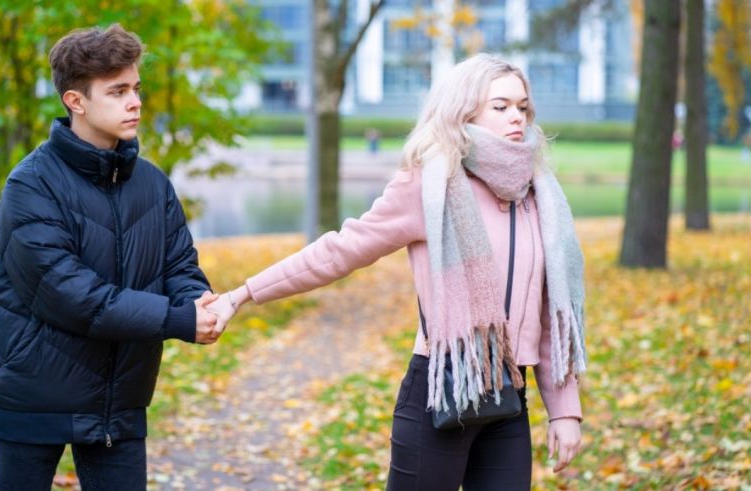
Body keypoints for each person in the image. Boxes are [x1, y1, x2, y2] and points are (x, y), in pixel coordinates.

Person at [207, 53, 586, 490]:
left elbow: (548, 315)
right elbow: (339, 251)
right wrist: (243, 293)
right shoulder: (429, 187)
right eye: (500, 107)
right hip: (440, 392)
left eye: (523, 107)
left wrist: (564, 410)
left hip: (508, 402)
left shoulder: (538, 195)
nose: (516, 118)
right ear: (464, 111)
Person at [0, 24, 221, 490]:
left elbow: (178, 265)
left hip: (120, 401)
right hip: (34, 399)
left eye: (135, 88)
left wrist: (200, 302)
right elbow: (74, 296)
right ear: (76, 101)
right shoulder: (29, 186)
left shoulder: (152, 183)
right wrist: (178, 319)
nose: (135, 102)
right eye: (117, 91)